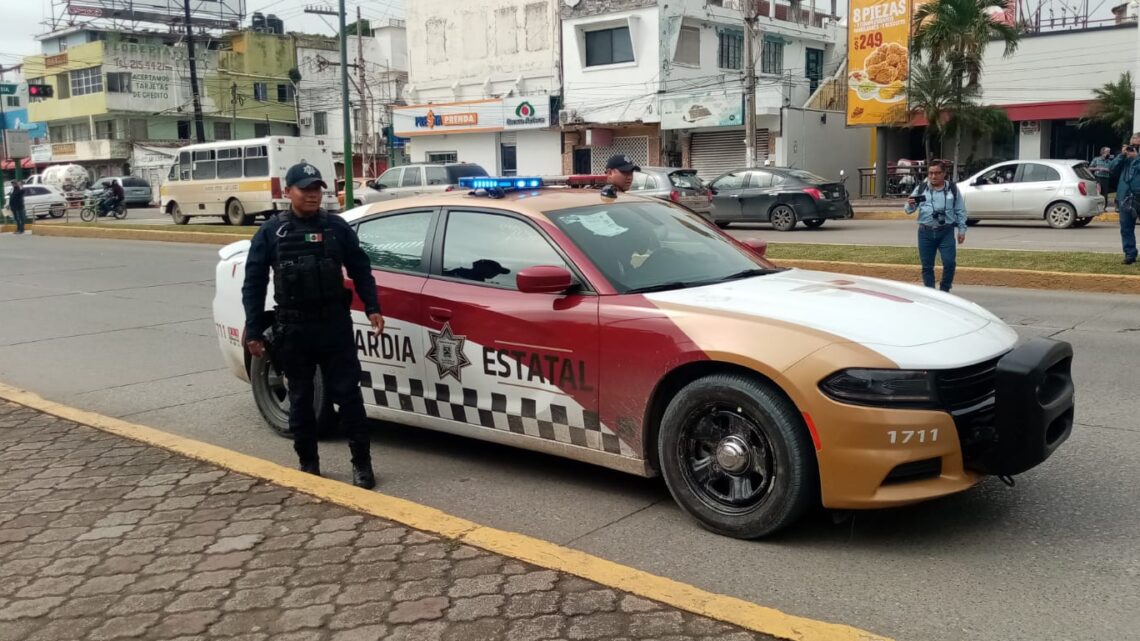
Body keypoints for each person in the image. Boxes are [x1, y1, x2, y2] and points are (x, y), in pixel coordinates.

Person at [242, 162, 385, 488]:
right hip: (294, 330)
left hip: (334, 325)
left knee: (349, 396)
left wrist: (373, 306)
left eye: (317, 189)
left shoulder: (336, 228)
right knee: (301, 397)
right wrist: (253, 329)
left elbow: (361, 268)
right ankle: (308, 463)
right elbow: (253, 284)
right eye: (305, 189)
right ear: (287, 192)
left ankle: (362, 465)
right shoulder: (271, 232)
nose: (313, 195)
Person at [904, 159, 967, 292]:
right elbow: (908, 210)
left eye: (937, 173)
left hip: (946, 232)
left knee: (949, 263)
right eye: (931, 173)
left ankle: (944, 290)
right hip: (925, 232)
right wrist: (910, 204)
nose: (933, 176)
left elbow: (960, 211)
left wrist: (962, 230)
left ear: (944, 173)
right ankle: (931, 293)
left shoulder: (952, 189)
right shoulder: (922, 188)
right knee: (927, 266)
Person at [1111, 144, 1139, 265]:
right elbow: (1112, 168)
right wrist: (1121, 155)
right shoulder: (1124, 160)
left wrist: (1137, 158)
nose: (1131, 149)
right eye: (1130, 146)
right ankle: (1130, 254)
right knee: (1126, 228)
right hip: (1126, 197)